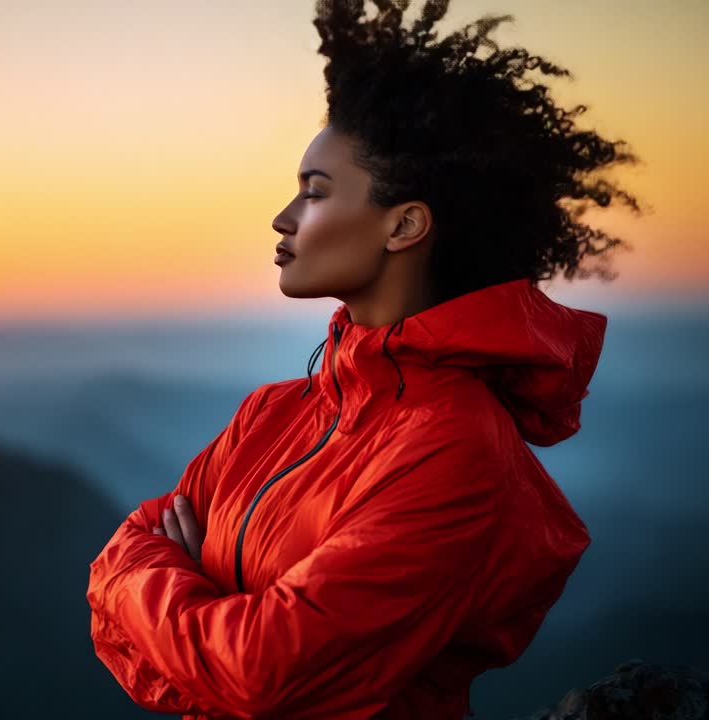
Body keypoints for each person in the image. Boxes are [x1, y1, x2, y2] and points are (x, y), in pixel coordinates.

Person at [85, 1, 643, 719]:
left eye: (314, 192)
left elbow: (265, 674)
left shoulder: (456, 448)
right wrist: (194, 615)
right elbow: (118, 587)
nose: (283, 218)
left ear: (405, 225)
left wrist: (156, 576)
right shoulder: (272, 411)